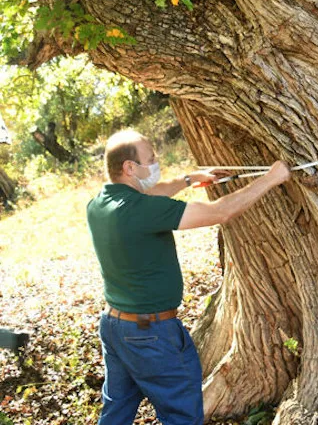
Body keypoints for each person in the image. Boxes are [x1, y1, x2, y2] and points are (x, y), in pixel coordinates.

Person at [87, 129, 291, 425]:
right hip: (150, 335)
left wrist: (189, 180)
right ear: (130, 168)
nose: (156, 162)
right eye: (150, 158)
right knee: (182, 415)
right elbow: (219, 212)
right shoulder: (143, 211)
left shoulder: (100, 204)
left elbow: (148, 194)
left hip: (115, 327)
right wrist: (273, 177)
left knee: (116, 412)